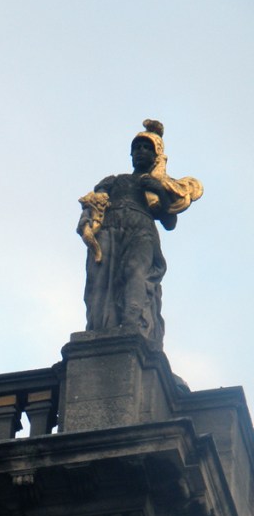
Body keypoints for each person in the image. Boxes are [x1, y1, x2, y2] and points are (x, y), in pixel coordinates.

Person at [79, 120, 202, 348]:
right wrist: (94, 208)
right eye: (137, 148)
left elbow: (169, 222)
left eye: (147, 148)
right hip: (110, 228)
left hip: (141, 231)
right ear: (131, 154)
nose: (141, 152)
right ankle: (98, 330)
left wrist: (159, 192)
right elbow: (95, 204)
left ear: (156, 155)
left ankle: (132, 327)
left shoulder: (158, 185)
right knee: (100, 280)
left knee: (136, 274)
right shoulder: (115, 180)